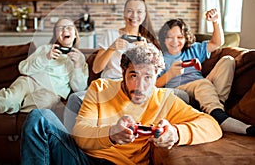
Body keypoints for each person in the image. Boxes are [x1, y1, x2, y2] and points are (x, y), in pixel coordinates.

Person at [21, 46, 222, 165]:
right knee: (39, 117)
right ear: (123, 73)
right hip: (82, 158)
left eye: (148, 77)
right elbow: (81, 134)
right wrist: (110, 134)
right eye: (133, 75)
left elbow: (212, 126)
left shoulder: (166, 100)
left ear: (156, 77)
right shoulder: (100, 87)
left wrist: (176, 134)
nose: (140, 86)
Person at [64, 0, 188, 132]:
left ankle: (170, 135)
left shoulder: (149, 41)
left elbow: (153, 79)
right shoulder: (111, 35)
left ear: (145, 15)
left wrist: (146, 50)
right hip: (111, 86)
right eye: (130, 11)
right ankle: (71, 144)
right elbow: (96, 68)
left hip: (135, 87)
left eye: (139, 12)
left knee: (181, 95)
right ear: (124, 13)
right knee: (75, 99)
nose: (134, 15)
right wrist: (112, 47)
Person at [0, 18, 88, 114]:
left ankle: (10, 104)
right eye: (61, 28)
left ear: (75, 34)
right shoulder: (45, 49)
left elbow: (79, 89)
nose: (65, 29)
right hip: (29, 82)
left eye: (69, 27)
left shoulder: (80, 59)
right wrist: (45, 58)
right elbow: (23, 68)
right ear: (56, 34)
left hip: (51, 92)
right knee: (8, 101)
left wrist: (76, 66)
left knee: (39, 105)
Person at [156, 9, 255, 136]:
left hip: (204, 89)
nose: (175, 42)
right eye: (169, 37)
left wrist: (216, 22)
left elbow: (217, 43)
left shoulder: (193, 50)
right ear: (163, 39)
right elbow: (154, 85)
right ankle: (220, 116)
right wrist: (170, 74)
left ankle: (216, 112)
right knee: (201, 84)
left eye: (179, 37)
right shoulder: (160, 58)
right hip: (181, 91)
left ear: (186, 38)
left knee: (228, 60)